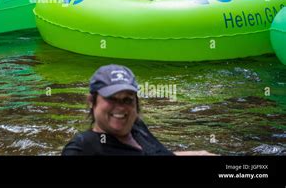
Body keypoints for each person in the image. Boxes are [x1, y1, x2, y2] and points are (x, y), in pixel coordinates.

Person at [62, 65, 213, 155]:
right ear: (91, 101)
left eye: (127, 99)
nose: (120, 107)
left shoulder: (136, 127)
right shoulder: (82, 148)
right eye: (111, 98)